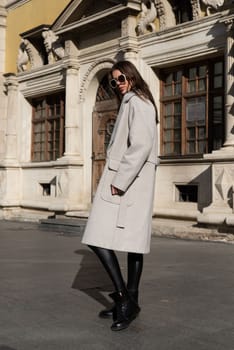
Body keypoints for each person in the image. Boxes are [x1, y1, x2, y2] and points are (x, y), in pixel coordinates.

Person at [81, 60, 159, 331]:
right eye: (114, 81)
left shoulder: (139, 102)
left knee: (97, 236)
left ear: (133, 77)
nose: (119, 84)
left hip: (129, 181)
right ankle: (129, 300)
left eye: (122, 78)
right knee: (122, 241)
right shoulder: (131, 102)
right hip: (129, 180)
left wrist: (120, 180)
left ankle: (125, 299)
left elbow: (141, 144)